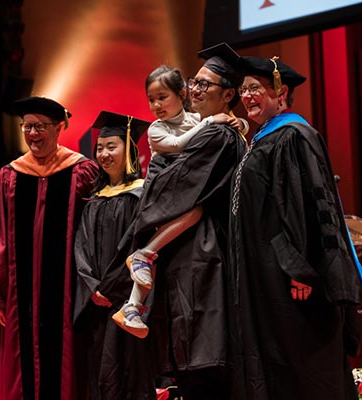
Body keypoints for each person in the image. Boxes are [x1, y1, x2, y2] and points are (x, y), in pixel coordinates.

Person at [228, 55, 362, 399]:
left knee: (302, 368)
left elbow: (305, 206)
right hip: (266, 276)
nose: (247, 96)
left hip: (290, 280)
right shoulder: (262, 139)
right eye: (243, 89)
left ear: (281, 91)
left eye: (255, 88)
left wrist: (300, 271)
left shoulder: (294, 136)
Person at [113, 43, 247, 400]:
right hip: (195, 255)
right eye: (195, 83)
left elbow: (172, 189)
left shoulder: (217, 134)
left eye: (206, 85)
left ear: (229, 94)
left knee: (202, 365)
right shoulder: (209, 129)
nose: (196, 90)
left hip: (202, 259)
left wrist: (155, 178)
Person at [0, 96, 98, 400]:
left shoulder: (82, 171)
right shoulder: (9, 176)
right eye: (27, 127)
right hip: (20, 295)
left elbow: (95, 232)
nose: (33, 134)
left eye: (40, 127)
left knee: (67, 361)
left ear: (59, 127)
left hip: (68, 292)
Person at [72, 111, 156, 400]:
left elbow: (137, 247)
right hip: (97, 303)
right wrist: (92, 287)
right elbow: (80, 248)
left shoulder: (141, 196)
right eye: (100, 148)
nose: (104, 154)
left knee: (131, 373)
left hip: (129, 301)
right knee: (101, 376)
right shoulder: (94, 200)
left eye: (112, 146)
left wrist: (109, 287)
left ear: (129, 148)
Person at [144, 65, 248, 182]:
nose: (156, 105)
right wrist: (208, 121)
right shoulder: (156, 128)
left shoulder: (195, 119)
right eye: (151, 100)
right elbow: (176, 145)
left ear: (182, 94)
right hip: (162, 182)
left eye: (162, 97)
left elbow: (239, 127)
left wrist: (241, 123)